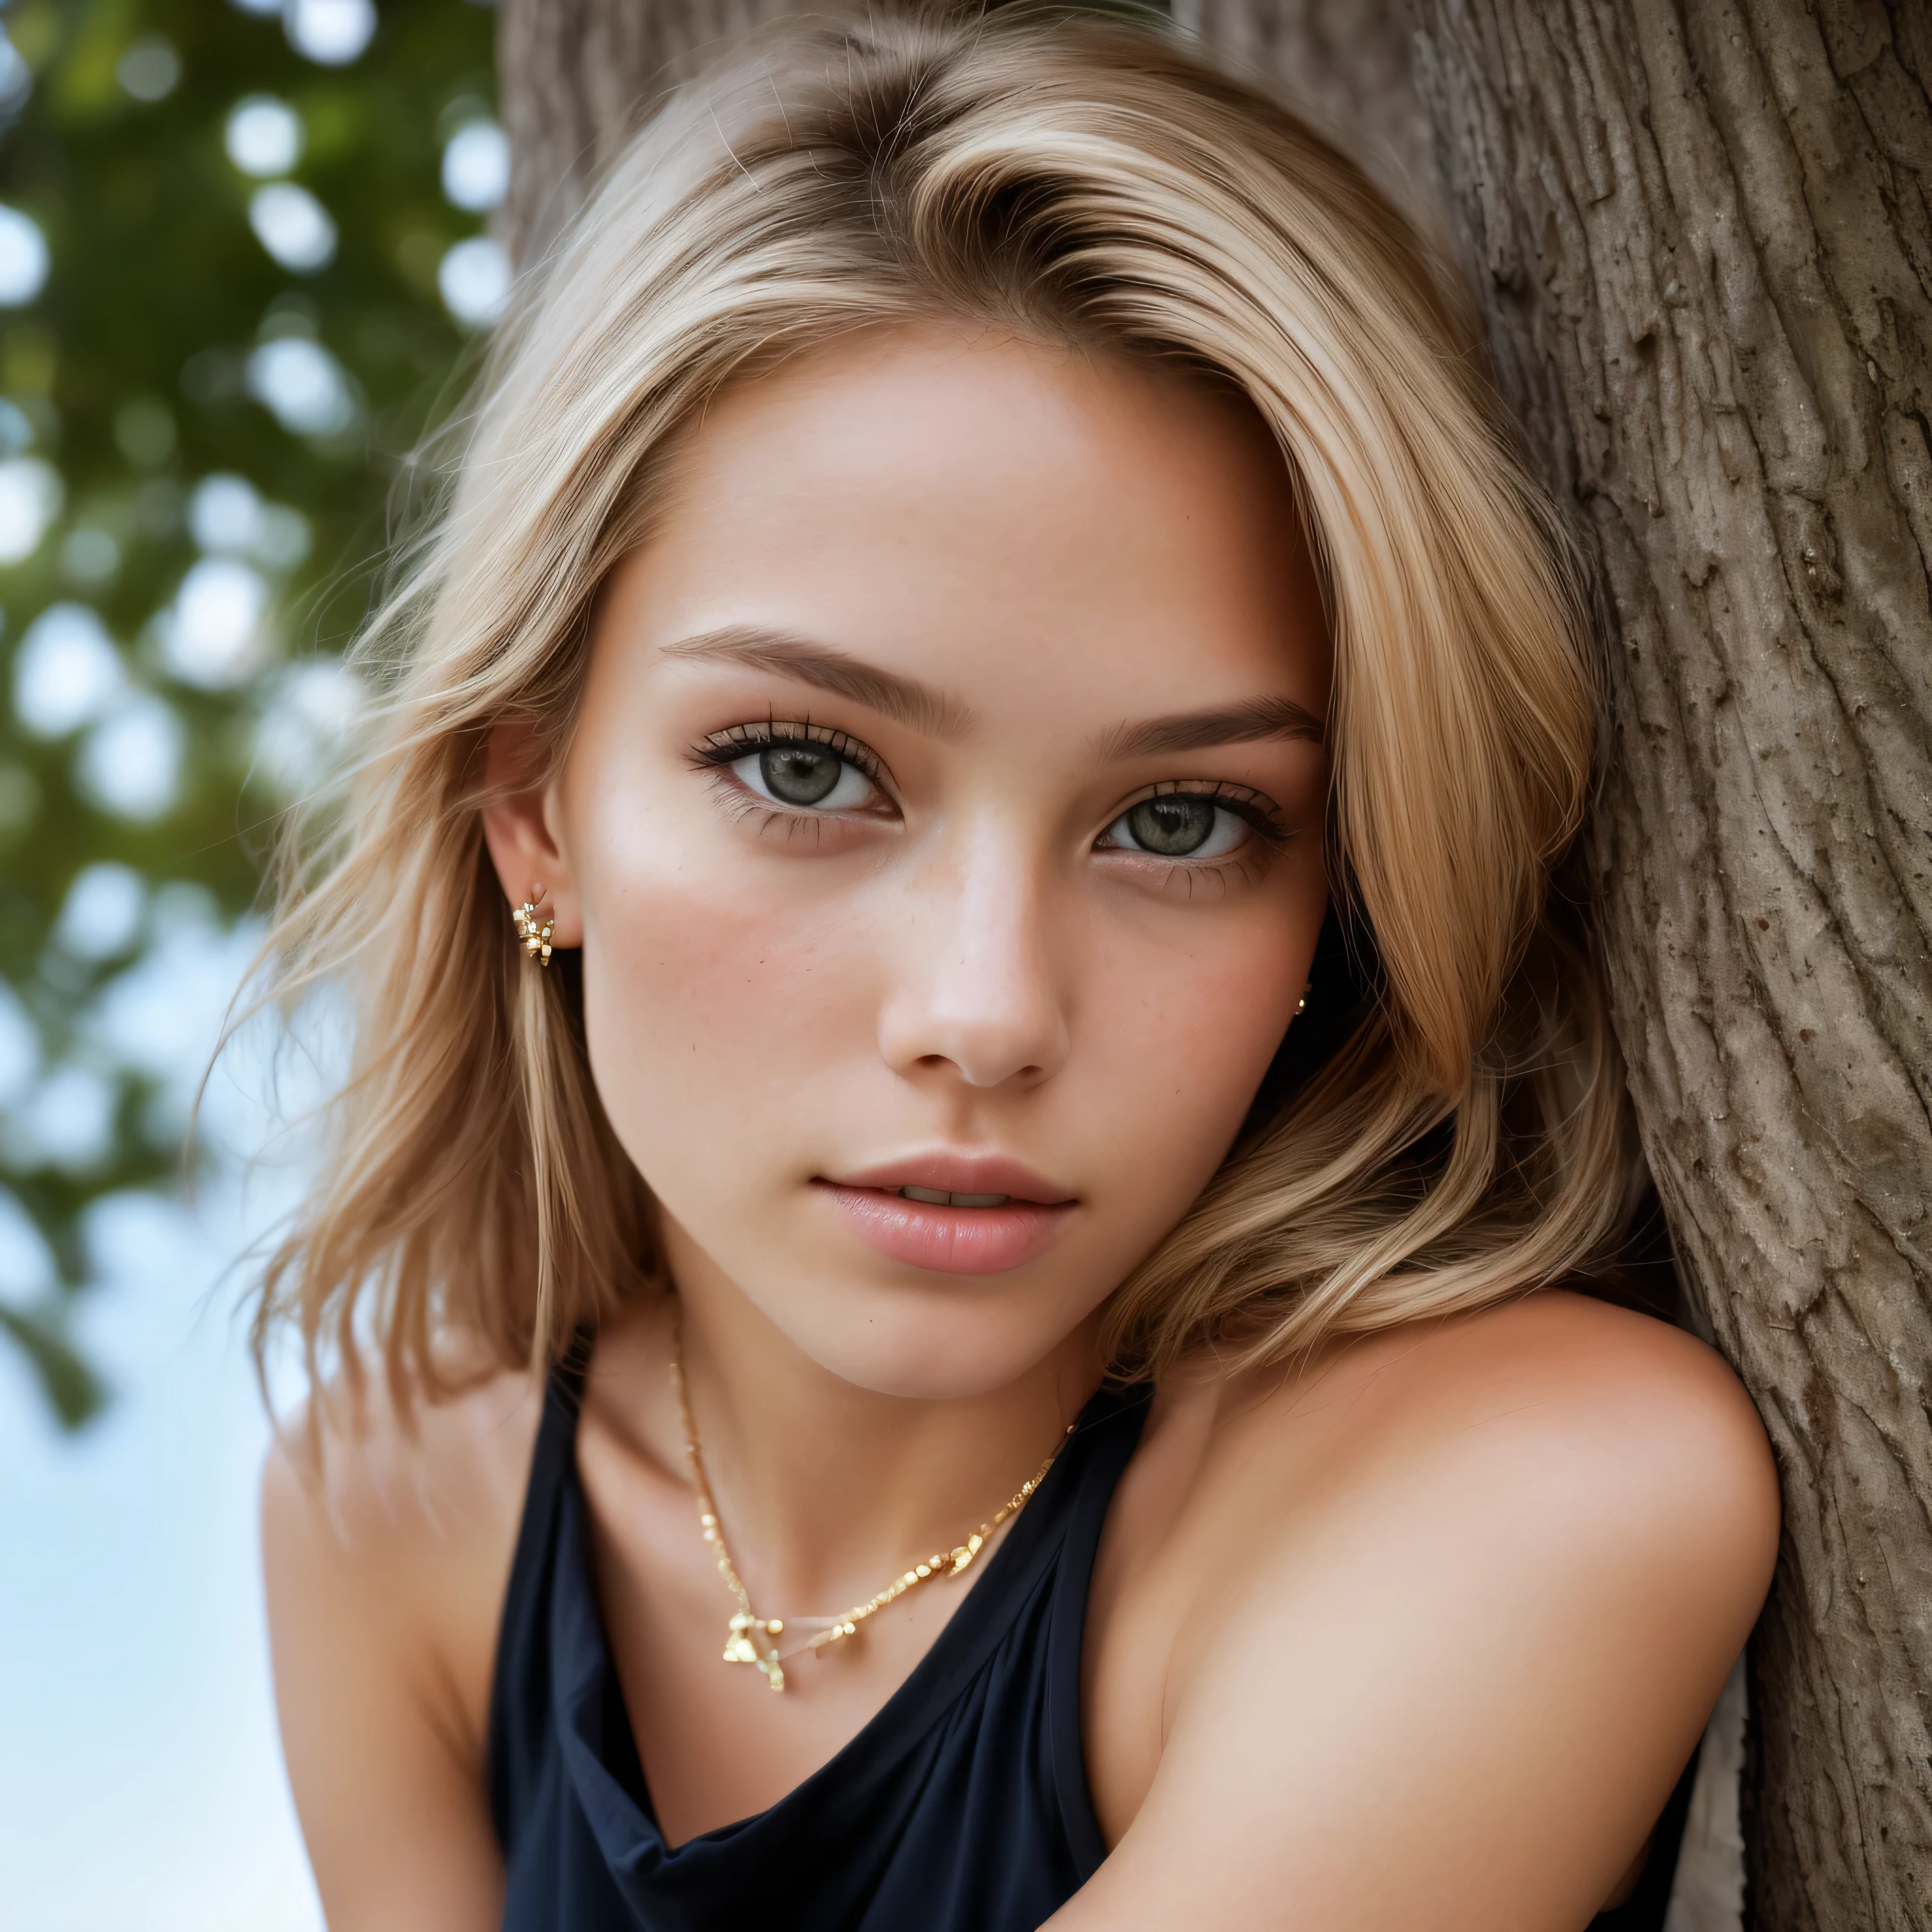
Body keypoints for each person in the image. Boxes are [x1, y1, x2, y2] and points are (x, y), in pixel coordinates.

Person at [256, 7, 1779, 1927]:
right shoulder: (399, 1504)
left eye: (1183, 820)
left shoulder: (1539, 1489)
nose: (985, 1012)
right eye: (805, 769)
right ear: (534, 809)